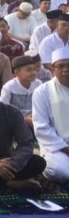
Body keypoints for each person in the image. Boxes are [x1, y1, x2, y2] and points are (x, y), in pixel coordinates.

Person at [33, 47, 69, 185]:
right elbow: (41, 128)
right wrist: (66, 149)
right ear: (53, 69)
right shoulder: (42, 91)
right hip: (56, 148)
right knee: (58, 170)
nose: (66, 70)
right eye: (61, 66)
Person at [0, 55, 42, 125]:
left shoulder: (39, 84)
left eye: (34, 69)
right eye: (29, 70)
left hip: (36, 120)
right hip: (15, 122)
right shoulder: (8, 87)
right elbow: (2, 110)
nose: (34, 73)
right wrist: (24, 119)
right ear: (17, 73)